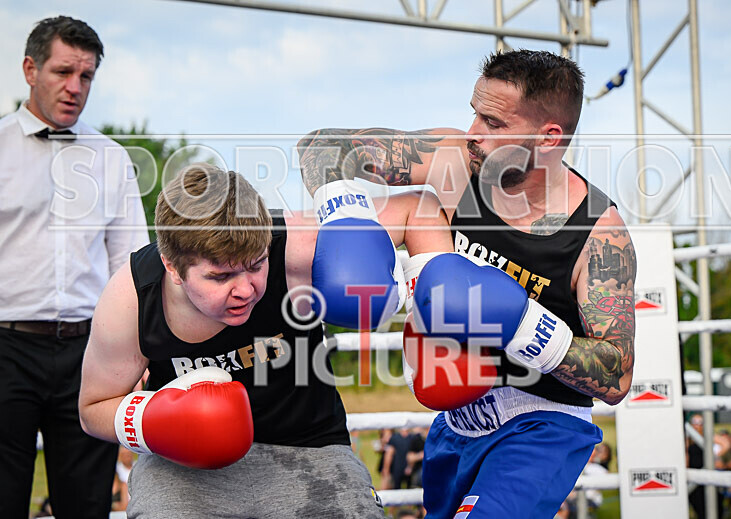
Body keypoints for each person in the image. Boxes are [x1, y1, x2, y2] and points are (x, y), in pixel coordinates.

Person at [298, 49, 636, 519]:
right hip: (456, 420)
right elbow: (323, 147)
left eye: (494, 123)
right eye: (475, 112)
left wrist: (521, 326)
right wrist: (346, 217)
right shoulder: (454, 161)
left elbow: (616, 375)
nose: (474, 132)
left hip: (542, 425)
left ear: (548, 137)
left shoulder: (598, 236)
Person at [78, 164, 453, 517]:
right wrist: (154, 419)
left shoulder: (296, 246)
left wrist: (441, 326)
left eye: (256, 265)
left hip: (312, 451)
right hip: (182, 469)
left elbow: (418, 210)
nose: (245, 289)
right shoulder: (133, 300)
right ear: (172, 266)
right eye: (220, 277)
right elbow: (92, 408)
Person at [0, 16, 148, 518]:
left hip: (92, 351)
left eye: (86, 76)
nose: (75, 87)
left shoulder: (112, 158)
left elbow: (131, 266)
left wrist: (137, 351)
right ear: (29, 68)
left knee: (86, 505)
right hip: (4, 349)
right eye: (63, 71)